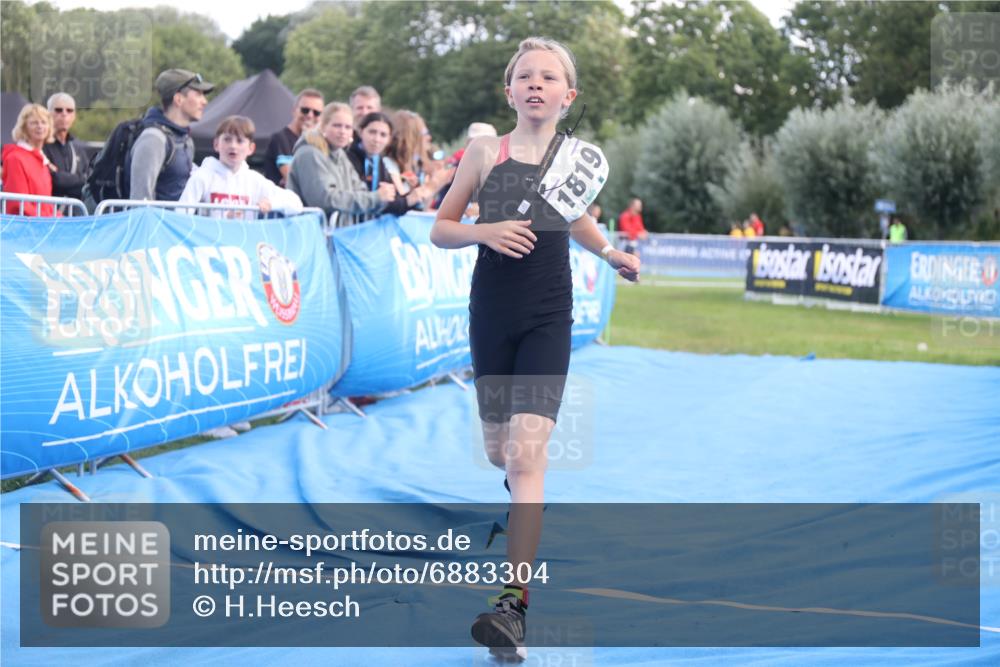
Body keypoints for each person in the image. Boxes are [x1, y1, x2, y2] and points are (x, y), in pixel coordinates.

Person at [430, 36, 640, 660]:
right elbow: (441, 228)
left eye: (549, 77)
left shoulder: (575, 160)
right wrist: (484, 232)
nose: (537, 84)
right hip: (491, 316)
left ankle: (511, 606)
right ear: (510, 90)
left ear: (567, 95)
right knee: (501, 452)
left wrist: (608, 252)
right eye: (526, 76)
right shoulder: (484, 152)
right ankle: (524, 499)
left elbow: (574, 218)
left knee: (526, 457)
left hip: (550, 316)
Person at [286, 102, 430, 222]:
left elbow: (361, 191)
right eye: (337, 125)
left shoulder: (340, 154)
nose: (343, 131)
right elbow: (326, 200)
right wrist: (377, 197)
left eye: (347, 127)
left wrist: (384, 198)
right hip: (311, 236)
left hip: (337, 237)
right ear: (323, 126)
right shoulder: (310, 154)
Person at [180, 115, 303, 218]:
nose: (233, 146)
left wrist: (271, 203)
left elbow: (295, 202)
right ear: (216, 144)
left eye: (239, 141)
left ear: (251, 148)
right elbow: (181, 215)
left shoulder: (254, 180)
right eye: (227, 139)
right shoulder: (202, 177)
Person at [128, 69, 214, 201]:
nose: (204, 101)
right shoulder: (153, 139)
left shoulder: (185, 139)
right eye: (198, 94)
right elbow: (140, 201)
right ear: (178, 99)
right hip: (155, 222)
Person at [345, 111, 421, 216]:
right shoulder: (348, 158)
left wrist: (415, 192)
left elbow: (393, 202)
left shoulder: (380, 163)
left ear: (389, 139)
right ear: (361, 132)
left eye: (383, 135)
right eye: (372, 132)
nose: (377, 139)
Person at [2, 104, 56, 216]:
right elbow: (18, 205)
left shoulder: (42, 160)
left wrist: (59, 217)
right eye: (34, 123)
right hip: (26, 228)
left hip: (43, 225)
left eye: (43, 122)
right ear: (24, 127)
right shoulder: (15, 158)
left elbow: (47, 204)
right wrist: (51, 219)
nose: (40, 126)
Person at [264, 88, 324, 187]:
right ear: (294, 110)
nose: (310, 115)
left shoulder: (321, 143)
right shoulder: (280, 139)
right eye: (305, 110)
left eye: (316, 113)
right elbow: (292, 178)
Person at [42, 92, 89, 202]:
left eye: (69, 110)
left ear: (74, 116)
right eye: (58, 110)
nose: (64, 114)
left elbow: (88, 181)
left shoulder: (78, 148)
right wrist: (79, 179)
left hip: (74, 215)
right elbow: (54, 179)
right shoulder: (40, 145)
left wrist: (63, 177)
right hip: (48, 213)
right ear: (48, 113)